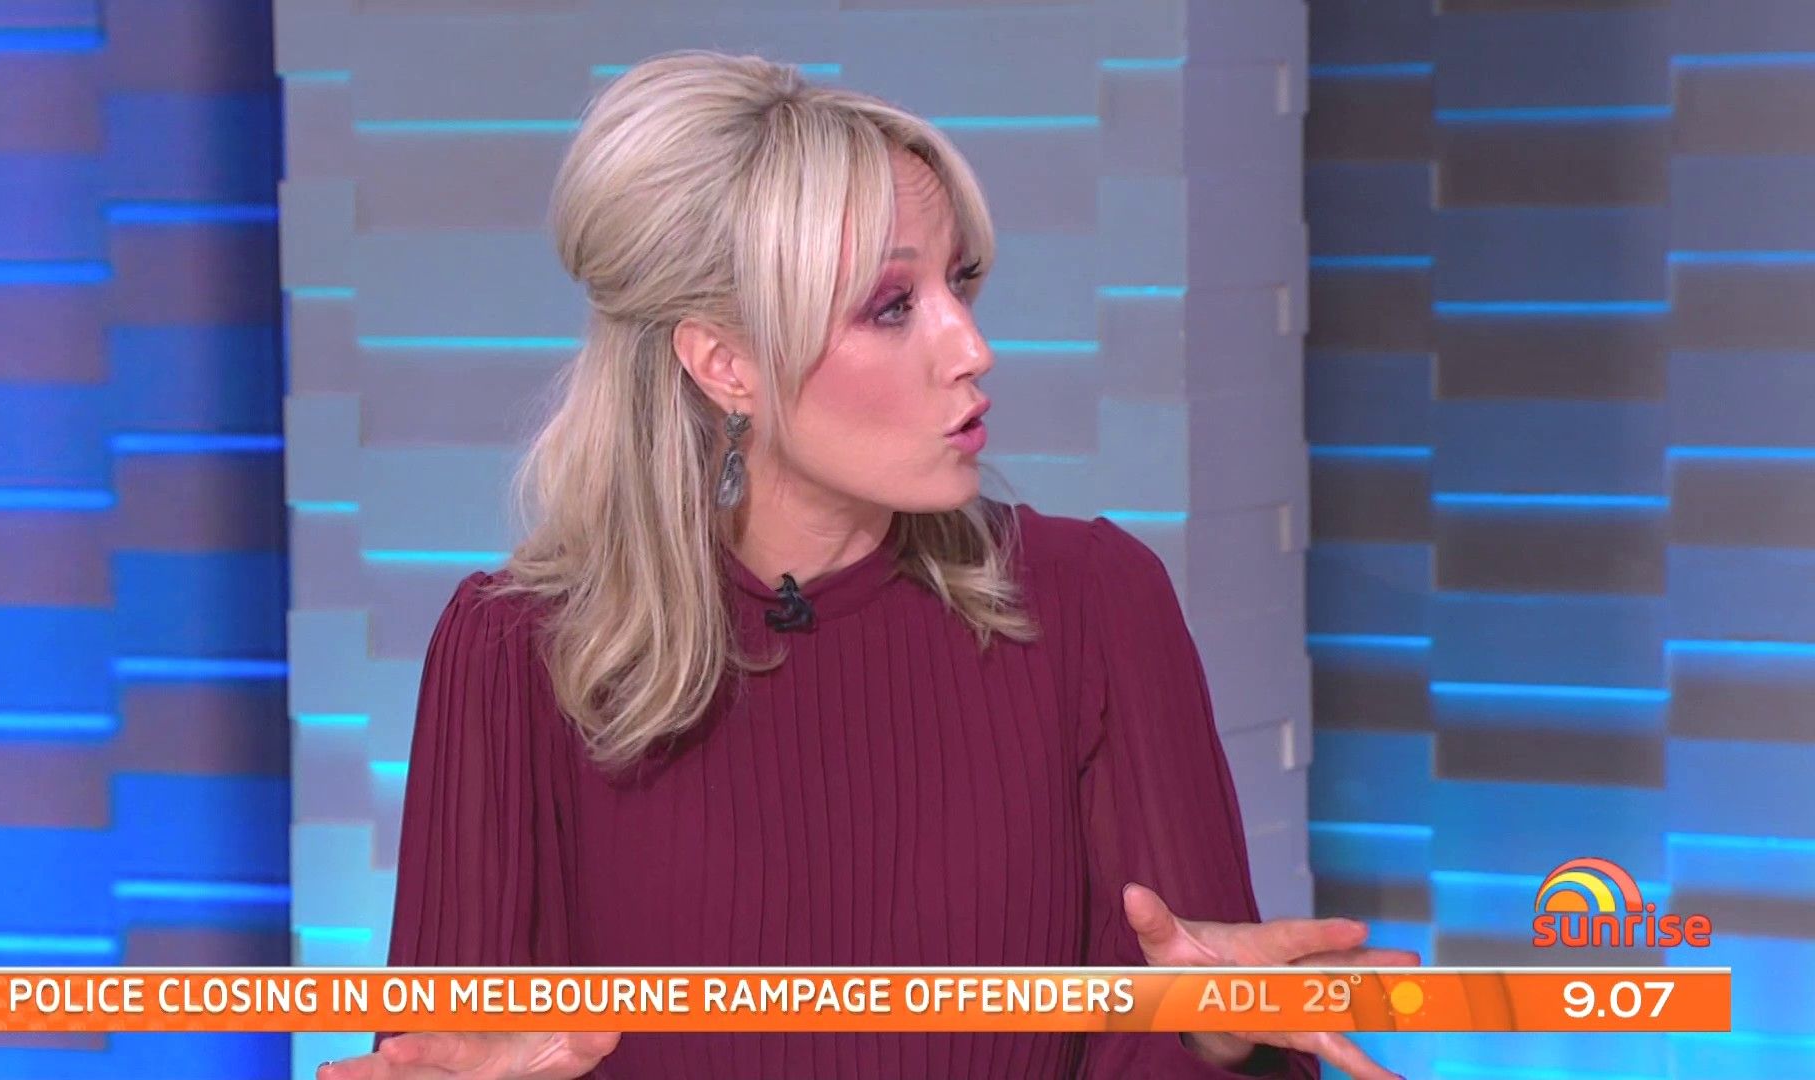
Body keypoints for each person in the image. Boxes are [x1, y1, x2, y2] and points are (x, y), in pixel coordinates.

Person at [318, 50, 1414, 1080]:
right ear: (724, 362)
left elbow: (1201, 1015)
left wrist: (1216, 1043)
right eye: (893, 306)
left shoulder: (1094, 604)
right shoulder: (516, 650)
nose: (972, 347)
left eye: (961, 284)